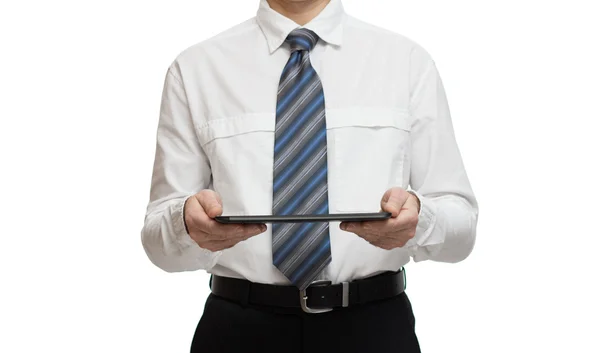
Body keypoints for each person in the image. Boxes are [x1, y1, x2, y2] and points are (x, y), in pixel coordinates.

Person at [141, 0, 478, 351]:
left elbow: (462, 229)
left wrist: (419, 221)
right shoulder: (196, 68)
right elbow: (156, 244)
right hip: (237, 330)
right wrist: (186, 224)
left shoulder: (407, 62)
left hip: (374, 329)